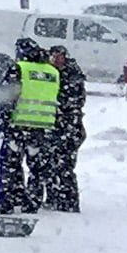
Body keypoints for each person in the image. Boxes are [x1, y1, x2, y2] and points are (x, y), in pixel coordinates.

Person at [0, 38, 60, 214]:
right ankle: (32, 202)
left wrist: (1, 123)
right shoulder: (52, 72)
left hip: (18, 125)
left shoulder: (19, 69)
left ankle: (4, 202)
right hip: (42, 126)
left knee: (9, 165)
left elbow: (7, 98)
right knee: (37, 167)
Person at [42, 44, 86, 212]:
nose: (55, 60)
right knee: (50, 165)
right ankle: (53, 198)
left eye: (59, 56)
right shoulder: (50, 73)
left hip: (69, 127)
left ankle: (69, 201)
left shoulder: (72, 75)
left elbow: (76, 100)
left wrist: (63, 110)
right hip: (55, 126)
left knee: (65, 166)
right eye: (53, 56)